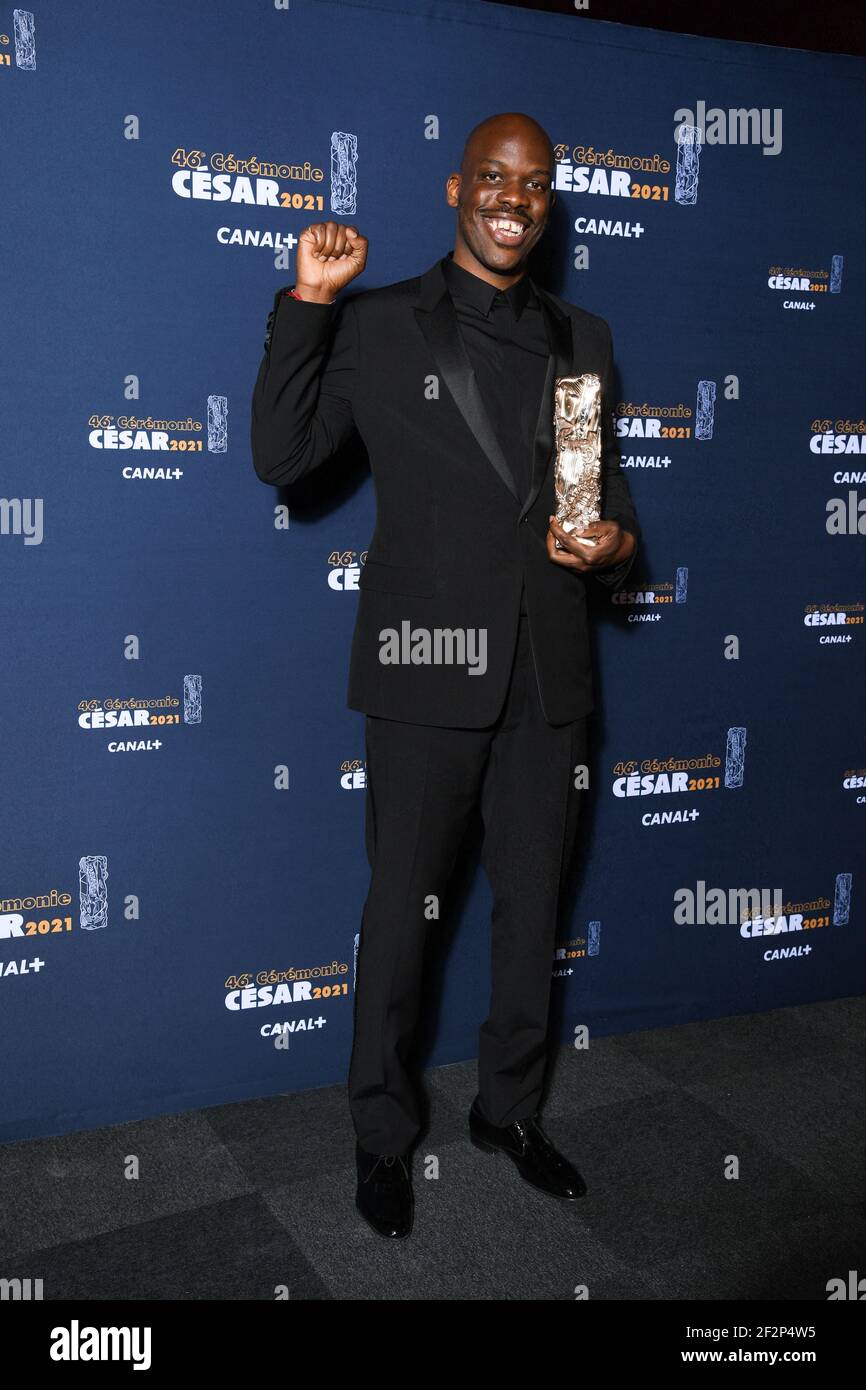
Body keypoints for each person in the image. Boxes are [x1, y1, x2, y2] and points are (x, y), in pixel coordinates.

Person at [251, 111, 640, 1240]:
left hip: (548, 681)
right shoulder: (377, 325)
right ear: (455, 188)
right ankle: (382, 1133)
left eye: (532, 182)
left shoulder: (583, 337)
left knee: (531, 915)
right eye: (491, 177)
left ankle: (508, 1112)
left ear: (548, 199)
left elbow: (590, 496)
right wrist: (309, 304)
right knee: (400, 920)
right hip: (427, 675)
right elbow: (282, 456)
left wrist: (610, 544)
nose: (512, 197)